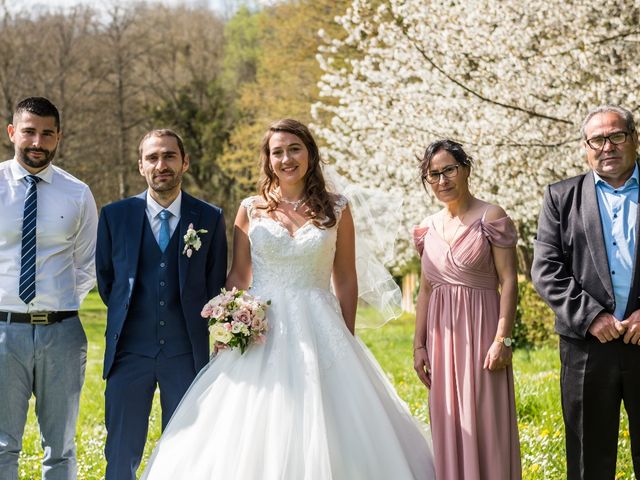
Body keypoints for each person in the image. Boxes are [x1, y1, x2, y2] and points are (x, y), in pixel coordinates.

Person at [141, 119, 435, 479]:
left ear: (309, 153)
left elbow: (344, 276)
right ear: (268, 160)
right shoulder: (251, 208)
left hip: (320, 323)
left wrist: (346, 334)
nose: (286, 158)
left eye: (294, 149)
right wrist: (225, 322)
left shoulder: (337, 208)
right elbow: (238, 275)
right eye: (277, 152)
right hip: (262, 325)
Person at [95, 129, 227, 480]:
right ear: (141, 166)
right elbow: (107, 281)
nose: (161, 164)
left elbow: (215, 283)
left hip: (186, 354)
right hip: (128, 353)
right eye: (152, 158)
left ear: (184, 161)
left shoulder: (210, 218)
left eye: (169, 156)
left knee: (186, 454)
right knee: (120, 455)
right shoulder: (114, 216)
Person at [532, 105, 640, 479]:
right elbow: (546, 269)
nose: (607, 146)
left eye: (616, 136)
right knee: (587, 460)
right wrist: (592, 316)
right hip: (586, 349)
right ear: (585, 147)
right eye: (597, 139)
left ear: (634, 138)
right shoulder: (561, 197)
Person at [0, 96, 98, 480]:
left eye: (47, 134)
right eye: (29, 132)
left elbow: (88, 264)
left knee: (61, 447)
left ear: (58, 137)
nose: (37, 142)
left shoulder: (78, 193)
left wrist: (59, 303)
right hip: (3, 331)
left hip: (62, 333)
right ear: (12, 132)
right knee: (3, 444)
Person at [413, 139, 521, 480]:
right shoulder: (426, 228)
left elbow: (509, 280)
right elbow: (426, 289)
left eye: (449, 170)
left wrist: (502, 339)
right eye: (434, 174)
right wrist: (419, 345)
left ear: (466, 170)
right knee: (448, 421)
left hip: (483, 335)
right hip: (441, 341)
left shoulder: (492, 216)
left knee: (486, 422)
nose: (443, 180)